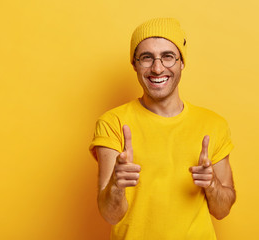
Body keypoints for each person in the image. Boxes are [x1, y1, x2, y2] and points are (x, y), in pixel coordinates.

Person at [89, 18, 236, 240]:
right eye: (147, 58)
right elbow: (110, 215)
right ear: (134, 64)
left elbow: (222, 210)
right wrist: (117, 185)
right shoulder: (113, 123)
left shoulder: (213, 124)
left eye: (168, 56)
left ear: (181, 62)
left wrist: (212, 184)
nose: (157, 68)